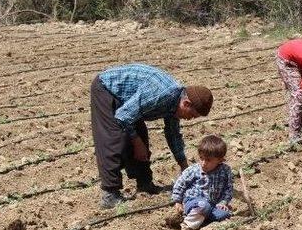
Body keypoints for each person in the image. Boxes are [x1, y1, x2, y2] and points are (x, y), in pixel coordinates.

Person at [90, 63, 213, 209]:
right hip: (107, 89)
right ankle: (110, 194)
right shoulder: (161, 94)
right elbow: (123, 116)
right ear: (186, 104)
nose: (190, 119)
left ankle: (145, 183)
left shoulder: (175, 103)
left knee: (141, 136)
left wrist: (183, 165)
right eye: (192, 115)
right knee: (115, 140)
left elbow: (173, 134)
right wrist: (136, 142)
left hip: (128, 99)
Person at [171, 135, 233, 230]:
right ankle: (187, 226)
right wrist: (177, 201)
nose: (203, 163)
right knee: (203, 205)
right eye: (201, 158)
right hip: (193, 201)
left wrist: (223, 202)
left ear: (220, 160)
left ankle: (199, 219)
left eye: (208, 160)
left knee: (224, 213)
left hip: (213, 205)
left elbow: (228, 189)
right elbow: (180, 183)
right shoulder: (194, 170)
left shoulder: (225, 171)